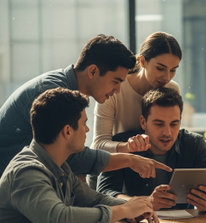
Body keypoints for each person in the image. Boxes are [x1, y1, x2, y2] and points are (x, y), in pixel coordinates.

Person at [0, 88, 158, 223]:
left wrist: (135, 207)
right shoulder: (26, 172)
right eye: (84, 123)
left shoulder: (61, 167)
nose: (87, 129)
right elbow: (58, 220)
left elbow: (94, 200)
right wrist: (123, 211)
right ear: (67, 131)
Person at [0, 34, 170, 179]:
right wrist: (130, 160)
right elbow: (73, 157)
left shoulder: (65, 88)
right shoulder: (53, 92)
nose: (118, 91)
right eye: (116, 81)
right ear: (93, 71)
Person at [97, 87, 206, 212]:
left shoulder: (194, 144)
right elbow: (105, 193)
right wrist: (147, 202)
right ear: (143, 122)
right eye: (159, 124)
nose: (167, 133)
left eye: (174, 124)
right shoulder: (124, 144)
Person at [92, 31, 181, 154]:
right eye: (160, 68)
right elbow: (99, 144)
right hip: (119, 166)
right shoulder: (115, 89)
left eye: (173, 70)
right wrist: (130, 147)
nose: (167, 77)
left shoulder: (172, 89)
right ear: (143, 61)